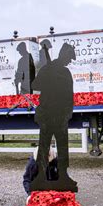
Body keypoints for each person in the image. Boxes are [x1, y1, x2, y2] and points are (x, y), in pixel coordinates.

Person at [30, 43, 77, 192]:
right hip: (48, 114)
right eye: (69, 58)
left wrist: (68, 113)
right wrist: (47, 80)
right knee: (44, 146)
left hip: (61, 115)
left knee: (63, 147)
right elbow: (35, 85)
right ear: (63, 55)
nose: (70, 61)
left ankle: (63, 175)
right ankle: (41, 176)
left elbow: (70, 95)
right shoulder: (47, 69)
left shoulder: (66, 73)